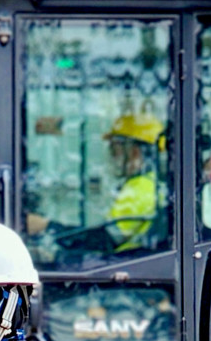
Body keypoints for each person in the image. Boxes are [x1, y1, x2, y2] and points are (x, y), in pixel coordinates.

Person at [28, 110, 164, 256]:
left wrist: (46, 226)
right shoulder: (149, 184)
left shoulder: (141, 189)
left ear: (134, 152)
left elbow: (103, 241)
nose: (111, 156)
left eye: (115, 149)